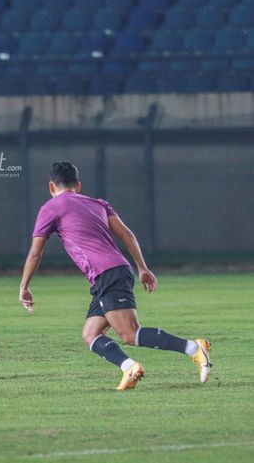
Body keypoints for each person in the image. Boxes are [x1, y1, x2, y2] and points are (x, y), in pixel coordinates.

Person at [18, 161, 211, 390]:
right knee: (91, 334)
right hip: (112, 273)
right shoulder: (98, 204)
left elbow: (35, 253)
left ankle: (194, 348)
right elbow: (127, 235)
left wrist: (24, 286)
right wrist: (142, 267)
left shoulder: (51, 207)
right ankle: (129, 367)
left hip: (107, 274)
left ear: (51, 186)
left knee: (130, 334)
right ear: (78, 185)